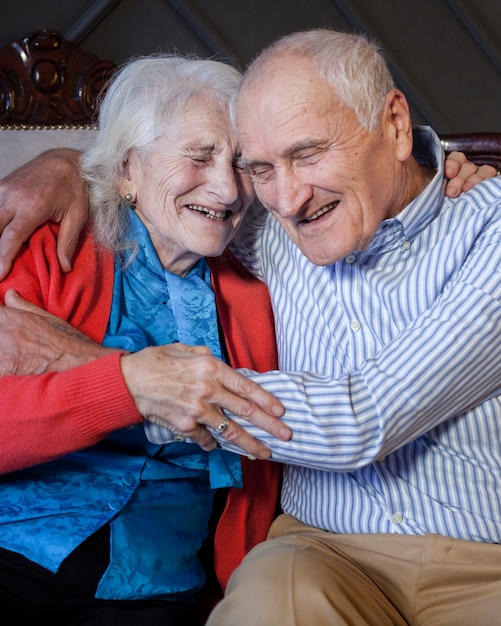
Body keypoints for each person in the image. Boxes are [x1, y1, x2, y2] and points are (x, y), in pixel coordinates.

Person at [0, 30, 498, 626]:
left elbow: (366, 417)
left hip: (473, 561)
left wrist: (113, 373)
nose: (266, 194)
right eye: (256, 166)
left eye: (242, 164)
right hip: (34, 549)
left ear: (393, 124)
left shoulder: (267, 256)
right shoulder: (68, 247)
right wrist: (63, 167)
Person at [0, 53, 291, 626]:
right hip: (20, 550)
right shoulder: (52, 252)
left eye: (239, 163)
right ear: (129, 169)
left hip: (159, 586)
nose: (227, 188)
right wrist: (124, 384)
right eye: (199, 157)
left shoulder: (262, 291)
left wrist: (455, 170)